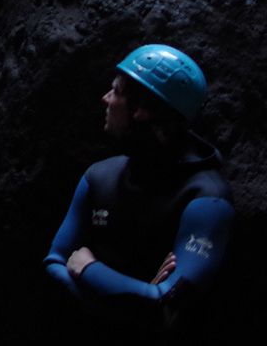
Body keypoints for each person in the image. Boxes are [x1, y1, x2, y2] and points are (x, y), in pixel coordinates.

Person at [43, 44, 234, 332]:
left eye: (117, 91)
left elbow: (170, 307)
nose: (106, 98)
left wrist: (87, 268)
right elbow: (54, 263)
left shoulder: (207, 201)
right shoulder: (99, 177)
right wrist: (136, 300)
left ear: (142, 110)